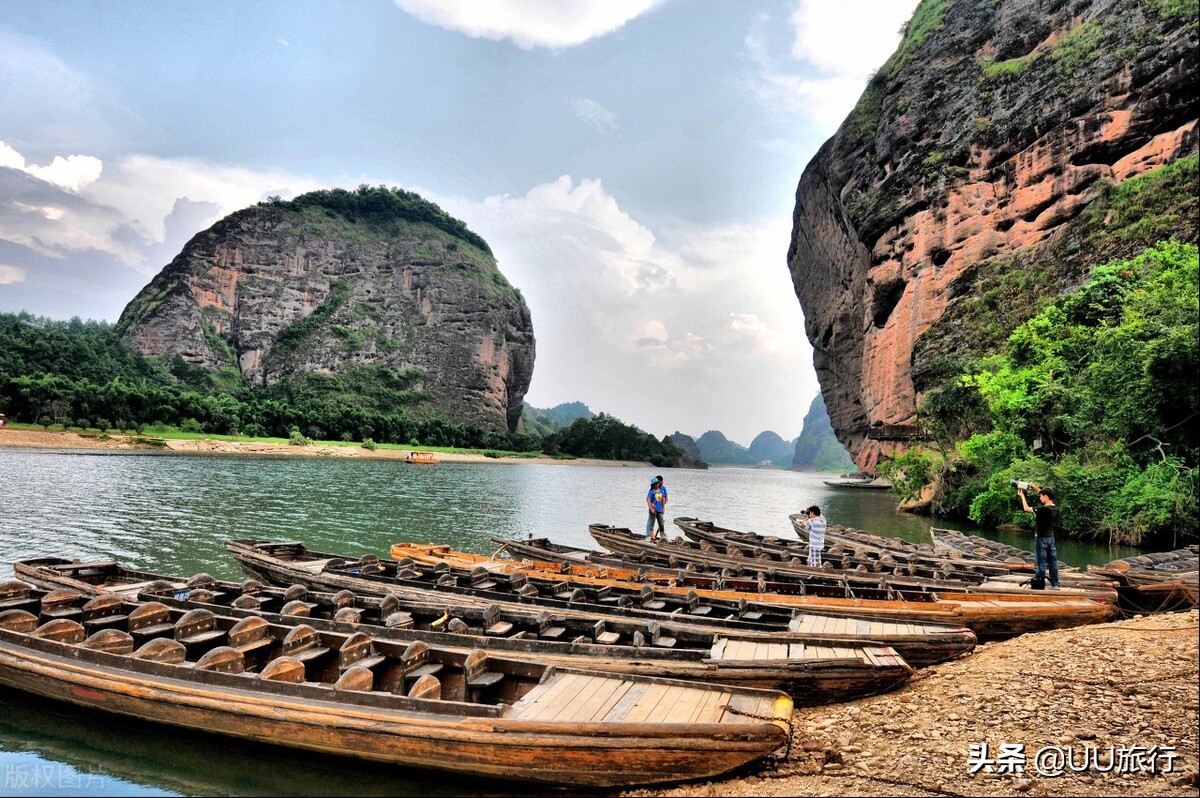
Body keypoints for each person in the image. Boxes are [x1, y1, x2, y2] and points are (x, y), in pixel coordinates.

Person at [1018, 483, 1060, 589]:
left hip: (1041, 538)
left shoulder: (1042, 510)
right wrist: (1035, 487)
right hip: (1050, 538)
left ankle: (1039, 585)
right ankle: (1055, 584)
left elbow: (1026, 508)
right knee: (1053, 562)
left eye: (1041, 496)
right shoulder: (1054, 507)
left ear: (1046, 497)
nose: (1040, 498)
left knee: (1040, 562)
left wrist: (1022, 496)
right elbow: (1045, 494)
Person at [645, 476, 668, 541]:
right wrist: (651, 507)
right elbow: (648, 499)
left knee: (661, 524)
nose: (659, 484)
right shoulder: (651, 491)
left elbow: (664, 499)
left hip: (659, 510)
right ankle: (650, 537)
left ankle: (663, 538)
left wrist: (663, 507)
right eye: (657, 483)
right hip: (653, 510)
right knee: (651, 523)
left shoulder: (662, 489)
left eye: (659, 483)